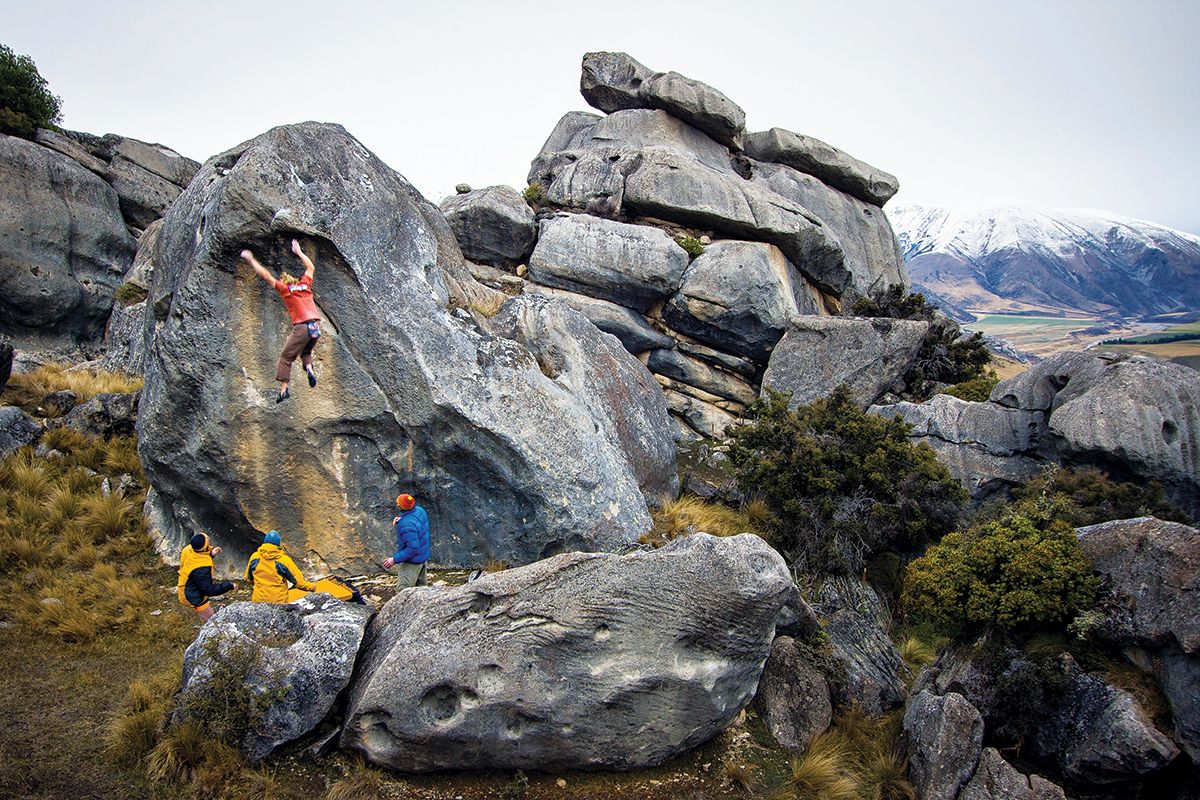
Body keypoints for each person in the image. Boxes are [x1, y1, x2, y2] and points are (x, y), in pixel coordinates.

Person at [239, 239, 321, 403]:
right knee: (305, 352)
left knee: (286, 358)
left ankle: (284, 391)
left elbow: (266, 276)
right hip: (316, 327)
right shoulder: (305, 285)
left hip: (303, 326)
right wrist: (298, 252)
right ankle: (310, 369)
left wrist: (251, 260)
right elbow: (310, 267)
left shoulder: (286, 290)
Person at [176, 533, 237, 621]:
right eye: (207, 543)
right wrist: (229, 585)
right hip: (192, 595)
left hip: (187, 585)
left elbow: (196, 559)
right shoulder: (201, 569)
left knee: (206, 613)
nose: (209, 544)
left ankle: (211, 612)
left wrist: (211, 554)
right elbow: (209, 590)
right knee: (210, 620)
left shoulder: (188, 549)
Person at [245, 530, 316, 603]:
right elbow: (299, 583)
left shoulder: (255, 557)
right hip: (278, 603)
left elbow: (248, 578)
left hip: (258, 602)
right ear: (278, 544)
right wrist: (312, 587)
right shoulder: (284, 561)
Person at [382, 494, 430, 589]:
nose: (396, 503)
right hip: (422, 559)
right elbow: (416, 524)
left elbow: (412, 549)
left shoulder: (406, 524)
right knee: (421, 592)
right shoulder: (420, 510)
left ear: (400, 506)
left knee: (403, 592)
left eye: (397, 502)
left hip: (411, 563)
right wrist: (403, 519)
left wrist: (394, 560)